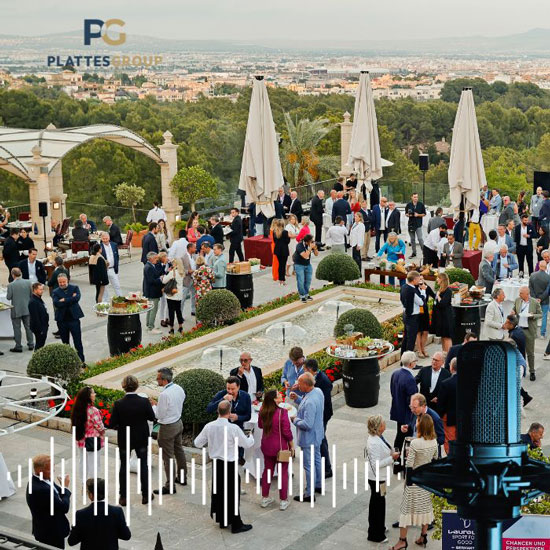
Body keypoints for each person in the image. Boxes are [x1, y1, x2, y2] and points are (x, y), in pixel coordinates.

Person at [194, 400, 254, 533]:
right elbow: (247, 444)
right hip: (230, 465)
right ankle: (236, 524)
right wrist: (251, 436)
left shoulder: (209, 426)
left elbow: (197, 443)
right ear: (230, 412)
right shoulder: (233, 428)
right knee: (232, 494)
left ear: (217, 411)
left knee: (219, 492)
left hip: (217, 464)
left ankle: (223, 520)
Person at [390, 415, 438, 550]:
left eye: (417, 422)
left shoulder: (415, 443)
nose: (415, 423)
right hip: (425, 480)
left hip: (414, 482)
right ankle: (423, 536)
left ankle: (402, 541)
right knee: (425, 509)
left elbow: (409, 465)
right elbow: (435, 459)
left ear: (421, 426)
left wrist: (407, 455)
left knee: (405, 511)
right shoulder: (434, 441)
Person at [108, 375, 155, 506]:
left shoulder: (118, 403)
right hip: (141, 438)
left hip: (125, 438)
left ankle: (123, 497)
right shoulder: (144, 402)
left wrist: (120, 425)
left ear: (123, 387)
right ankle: (145, 495)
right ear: (136, 386)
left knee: (123, 466)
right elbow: (152, 418)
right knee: (143, 465)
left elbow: (112, 423)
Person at [149, 368, 188, 495]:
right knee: (179, 450)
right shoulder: (179, 388)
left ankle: (170, 486)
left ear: (165, 380)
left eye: (158, 378)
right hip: (178, 422)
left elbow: (159, 415)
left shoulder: (164, 395)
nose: (156, 380)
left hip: (167, 428)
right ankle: (182, 478)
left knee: (168, 457)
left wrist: (154, 405)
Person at [67, 477, 131, 549]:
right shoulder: (117, 512)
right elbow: (126, 536)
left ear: (91, 495)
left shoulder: (81, 514)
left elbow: (71, 541)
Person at [289, 373, 324, 502]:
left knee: (308, 465)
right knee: (317, 460)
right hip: (318, 434)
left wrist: (295, 420)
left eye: (299, 383)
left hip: (309, 438)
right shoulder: (318, 392)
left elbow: (307, 424)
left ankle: (309, 493)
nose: (297, 385)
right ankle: (319, 485)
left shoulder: (309, 401)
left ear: (306, 384)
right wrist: (298, 398)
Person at [365, 415, 400, 544]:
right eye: (383, 422)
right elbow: (376, 464)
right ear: (379, 427)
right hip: (377, 478)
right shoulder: (374, 442)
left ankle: (380, 527)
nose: (385, 424)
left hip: (381, 478)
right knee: (377, 505)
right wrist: (392, 458)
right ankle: (375, 533)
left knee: (380, 503)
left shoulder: (379, 437)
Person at [257, 389, 293, 511]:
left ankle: (265, 498)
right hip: (280, 447)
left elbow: (260, 425)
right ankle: (283, 500)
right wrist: (292, 446)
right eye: (278, 395)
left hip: (266, 446)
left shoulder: (262, 410)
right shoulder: (282, 412)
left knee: (267, 471)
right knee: (283, 472)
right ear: (274, 399)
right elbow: (287, 432)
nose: (281, 395)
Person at [26, 454, 71, 549]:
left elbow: (57, 489)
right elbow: (64, 507)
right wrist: (66, 488)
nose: (53, 471)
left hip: (47, 529)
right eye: (49, 469)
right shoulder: (42, 489)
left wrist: (62, 488)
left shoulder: (43, 479)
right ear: (40, 471)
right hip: (51, 533)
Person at [303, 358, 333, 479]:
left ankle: (327, 468)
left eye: (305, 369)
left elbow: (321, 402)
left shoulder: (323, 382)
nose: (303, 371)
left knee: (320, 441)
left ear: (310, 370)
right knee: (320, 440)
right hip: (317, 415)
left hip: (322, 416)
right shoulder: (312, 379)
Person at [70, 386, 105, 484]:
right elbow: (100, 426)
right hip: (92, 440)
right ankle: (93, 483)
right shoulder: (93, 410)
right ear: (88, 397)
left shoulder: (77, 409)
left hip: (81, 439)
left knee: (82, 461)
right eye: (93, 393)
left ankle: (83, 481)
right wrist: (103, 431)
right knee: (94, 462)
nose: (95, 395)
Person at [390, 351, 418, 458]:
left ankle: (396, 462)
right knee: (407, 439)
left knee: (399, 437)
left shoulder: (395, 373)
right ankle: (406, 463)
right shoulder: (410, 379)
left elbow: (392, 391)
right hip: (407, 415)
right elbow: (412, 400)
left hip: (397, 411)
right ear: (411, 364)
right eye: (415, 361)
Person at [206, 376, 252, 440]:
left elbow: (248, 416)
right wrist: (223, 399)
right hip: (222, 430)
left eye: (233, 389)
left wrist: (238, 417)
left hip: (238, 429)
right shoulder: (222, 394)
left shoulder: (246, 396)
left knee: (238, 449)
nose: (230, 391)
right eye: (228, 388)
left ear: (238, 387)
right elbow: (209, 409)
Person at [512, 286, 542, 380]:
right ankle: (520, 370)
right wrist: (513, 311)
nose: (519, 294)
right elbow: (515, 309)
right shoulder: (517, 300)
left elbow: (540, 314)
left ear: (527, 294)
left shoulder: (534, 302)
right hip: (519, 330)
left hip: (529, 330)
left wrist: (533, 315)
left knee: (530, 352)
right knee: (518, 351)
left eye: (521, 293)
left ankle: (532, 371)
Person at [7, 267, 34, 353]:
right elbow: (31, 294)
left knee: (17, 328)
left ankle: (18, 346)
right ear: (21, 273)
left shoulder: (11, 285)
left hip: (16, 310)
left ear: (12, 275)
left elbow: (8, 297)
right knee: (28, 327)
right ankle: (31, 344)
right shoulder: (28, 282)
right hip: (27, 308)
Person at [438, 357, 458, 454]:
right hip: (465, 418)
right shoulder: (469, 383)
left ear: (451, 367)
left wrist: (441, 416)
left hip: (449, 418)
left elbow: (441, 404)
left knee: (450, 442)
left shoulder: (446, 384)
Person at [430, 272, 454, 352]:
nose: (437, 279)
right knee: (443, 337)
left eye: (438, 278)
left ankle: (449, 355)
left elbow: (443, 303)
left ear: (442, 280)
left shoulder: (448, 290)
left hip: (446, 317)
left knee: (447, 337)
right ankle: (444, 355)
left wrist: (439, 296)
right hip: (440, 317)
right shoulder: (440, 289)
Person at [400, 271, 423, 353]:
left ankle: (403, 360)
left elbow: (401, 299)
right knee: (411, 340)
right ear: (414, 279)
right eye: (418, 279)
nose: (419, 281)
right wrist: (422, 291)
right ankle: (409, 363)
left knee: (405, 339)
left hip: (406, 315)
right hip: (412, 318)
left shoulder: (403, 287)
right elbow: (421, 302)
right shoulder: (412, 290)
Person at [161, 258, 185, 334]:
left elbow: (164, 280)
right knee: (178, 311)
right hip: (179, 294)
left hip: (171, 295)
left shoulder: (172, 272)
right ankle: (180, 327)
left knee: (171, 311)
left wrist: (165, 274)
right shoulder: (182, 272)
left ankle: (171, 328)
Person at [293, 233, 318, 303]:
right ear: (306, 242)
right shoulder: (299, 245)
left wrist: (315, 248)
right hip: (299, 265)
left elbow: (316, 254)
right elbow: (305, 256)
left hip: (308, 265)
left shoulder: (310, 245)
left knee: (308, 280)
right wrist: (310, 249)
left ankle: (306, 294)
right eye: (311, 241)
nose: (312, 242)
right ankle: (302, 295)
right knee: (300, 281)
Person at [142, 252, 163, 333]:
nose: (157, 260)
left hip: (150, 291)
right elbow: (151, 281)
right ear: (150, 259)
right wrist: (160, 279)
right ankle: (151, 327)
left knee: (150, 308)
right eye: (155, 258)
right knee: (153, 309)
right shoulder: (148, 267)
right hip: (152, 291)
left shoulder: (150, 266)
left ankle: (148, 325)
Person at [529, 261, 550, 337]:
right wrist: (541, 298)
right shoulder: (548, 277)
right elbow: (547, 291)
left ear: (539, 266)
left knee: (534, 316)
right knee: (544, 316)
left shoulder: (532, 275)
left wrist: (535, 298)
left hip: (534, 299)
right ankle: (542, 334)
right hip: (545, 300)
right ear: (545, 267)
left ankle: (534, 333)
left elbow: (530, 288)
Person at [416, 276, 434, 358]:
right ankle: (419, 350)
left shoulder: (427, 288)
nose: (421, 281)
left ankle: (423, 348)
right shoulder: (415, 289)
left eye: (422, 279)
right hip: (417, 312)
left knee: (426, 331)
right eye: (419, 279)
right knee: (418, 331)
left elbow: (434, 296)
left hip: (425, 312)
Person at [28, 282, 49, 350]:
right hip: (40, 329)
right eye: (40, 289)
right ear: (34, 290)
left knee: (41, 345)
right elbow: (35, 318)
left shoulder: (38, 298)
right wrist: (40, 330)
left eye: (42, 289)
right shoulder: (33, 302)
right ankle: (36, 359)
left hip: (43, 326)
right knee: (39, 346)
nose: (42, 291)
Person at [100, 232, 122, 296]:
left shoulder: (114, 245)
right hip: (104, 270)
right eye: (103, 239)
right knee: (104, 288)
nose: (105, 240)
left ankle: (120, 298)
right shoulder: (99, 246)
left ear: (109, 238)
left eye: (106, 238)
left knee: (117, 285)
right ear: (101, 239)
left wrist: (116, 267)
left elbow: (117, 256)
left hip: (112, 269)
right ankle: (105, 302)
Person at [405, 193, 426, 258]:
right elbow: (406, 213)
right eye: (414, 197)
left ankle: (424, 253)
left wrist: (418, 215)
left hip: (418, 224)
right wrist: (408, 215)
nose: (416, 198)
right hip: (411, 224)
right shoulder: (408, 205)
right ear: (412, 197)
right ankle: (414, 253)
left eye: (416, 197)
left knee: (420, 239)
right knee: (412, 239)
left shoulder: (421, 204)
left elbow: (424, 214)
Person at [272, 218, 291, 284]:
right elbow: (287, 241)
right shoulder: (285, 232)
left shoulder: (275, 232)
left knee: (280, 265)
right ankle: (282, 279)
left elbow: (274, 241)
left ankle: (280, 279)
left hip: (277, 250)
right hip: (284, 250)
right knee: (283, 265)